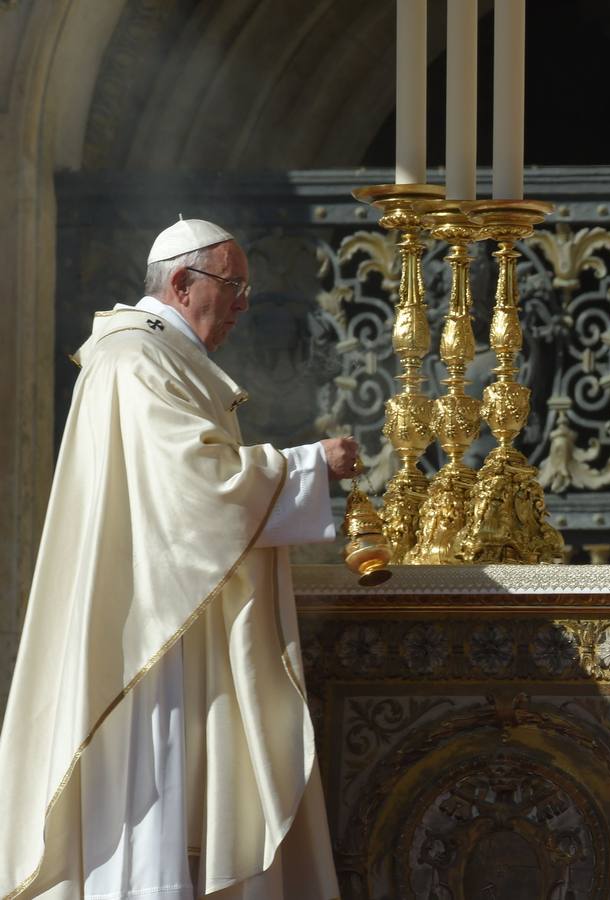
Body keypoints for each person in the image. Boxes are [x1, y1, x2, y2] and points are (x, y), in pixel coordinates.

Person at [0, 218, 355, 898]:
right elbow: (195, 487)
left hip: (164, 599)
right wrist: (309, 465)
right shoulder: (138, 357)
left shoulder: (155, 355)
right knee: (147, 786)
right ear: (182, 283)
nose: (243, 305)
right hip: (147, 628)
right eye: (233, 285)